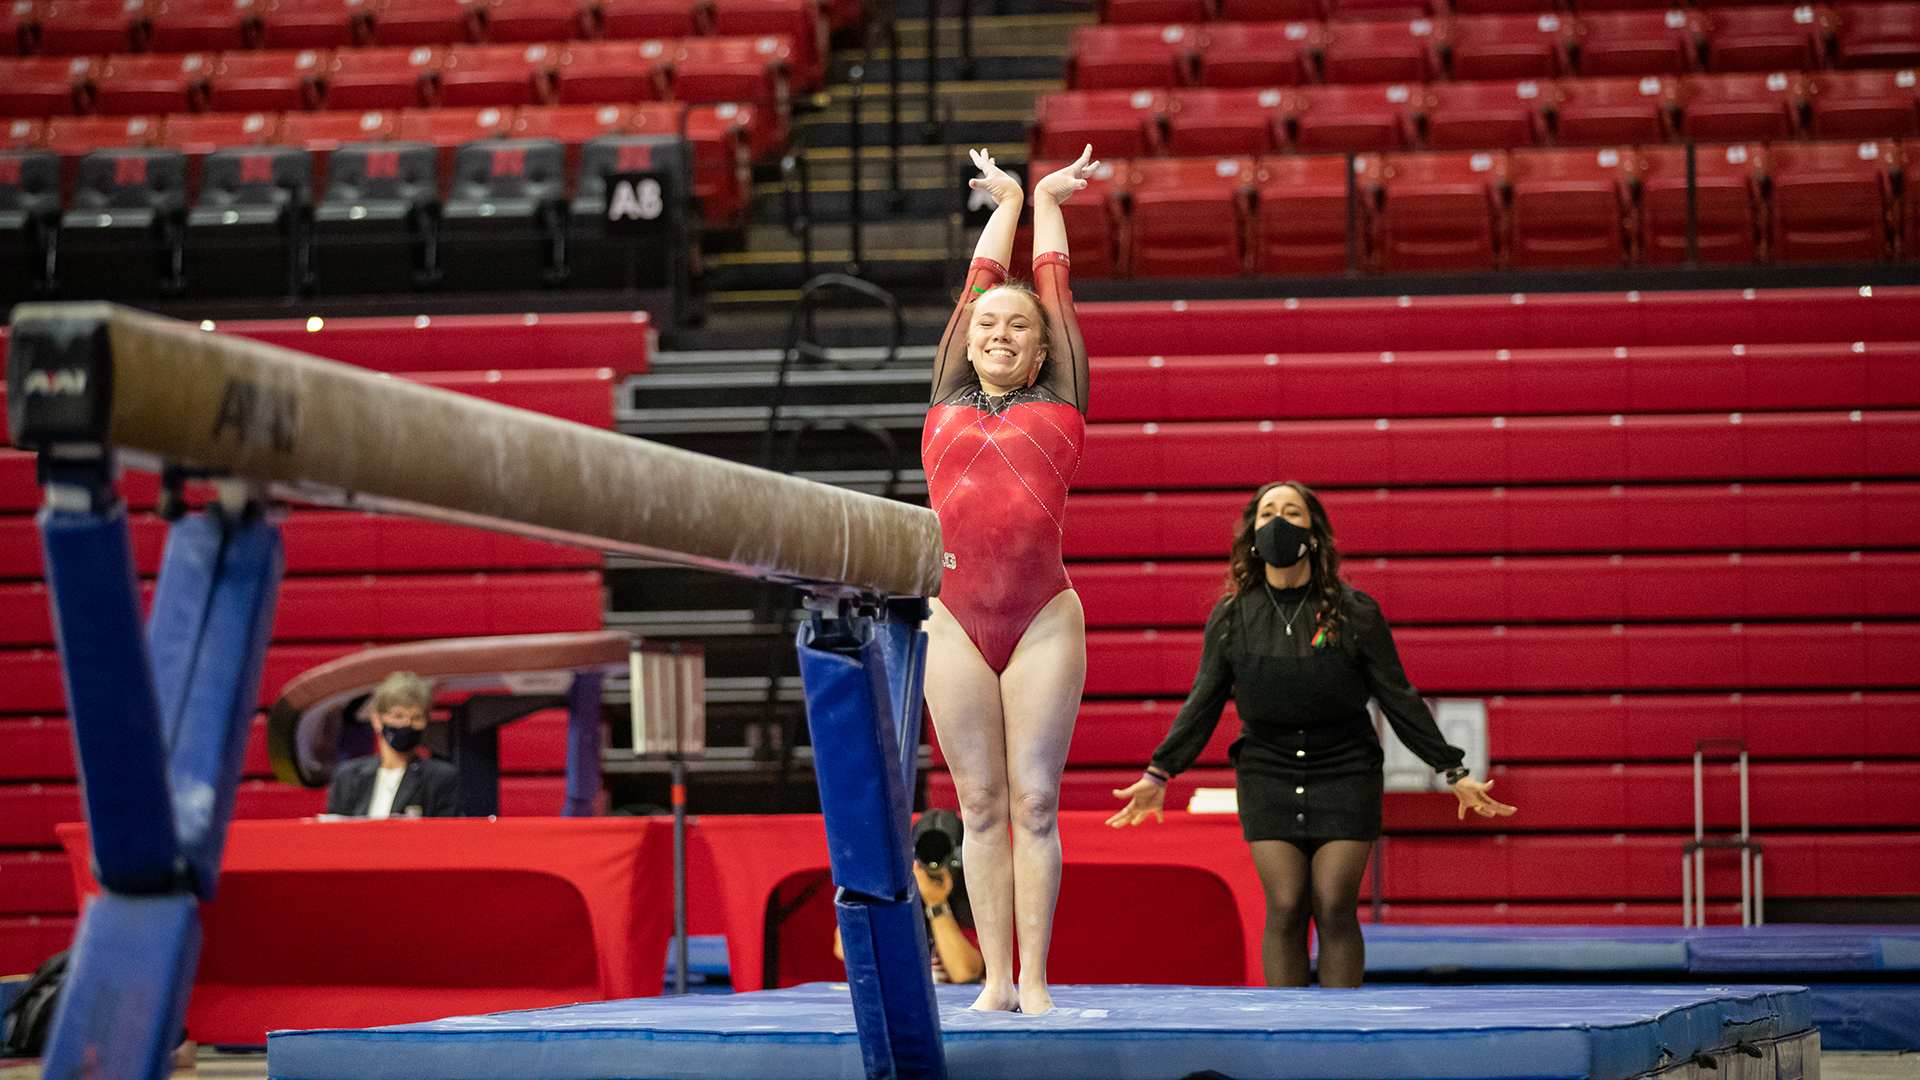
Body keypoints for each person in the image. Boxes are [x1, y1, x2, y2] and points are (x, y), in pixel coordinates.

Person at [1108, 481, 1517, 988]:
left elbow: (1399, 697)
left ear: (1314, 533)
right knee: (1284, 904)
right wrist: (1159, 771)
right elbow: (1203, 703)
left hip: (1345, 769)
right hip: (1268, 771)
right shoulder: (1232, 617)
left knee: (1334, 902)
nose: (1279, 522)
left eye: (1292, 512)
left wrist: (1452, 769)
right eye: (1268, 513)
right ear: (1253, 535)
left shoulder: (1355, 612)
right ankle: (1287, 1028)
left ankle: (1340, 1026)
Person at [920, 144, 1098, 1014]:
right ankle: (992, 979)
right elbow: (978, 286)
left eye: (1018, 328)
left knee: (1034, 802)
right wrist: (1007, 203)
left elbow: (1052, 291)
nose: (998, 333)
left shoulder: (1060, 403)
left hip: (1041, 619)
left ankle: (1035, 979)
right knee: (980, 805)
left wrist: (1046, 203)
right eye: (988, 324)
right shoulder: (945, 397)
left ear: (1039, 351)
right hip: (953, 619)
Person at [326, 671, 460, 818]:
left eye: (416, 718)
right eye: (398, 716)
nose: (407, 724)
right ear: (377, 720)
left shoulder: (439, 779)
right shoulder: (348, 777)